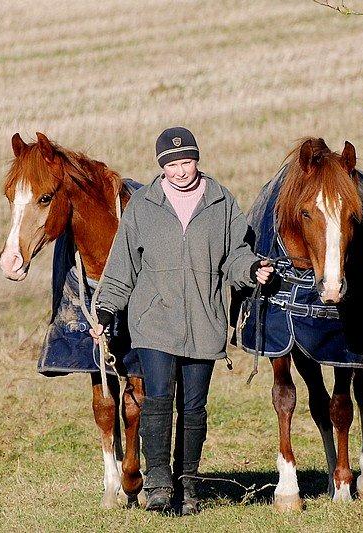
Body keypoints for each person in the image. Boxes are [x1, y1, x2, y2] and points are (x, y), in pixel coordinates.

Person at [90, 127, 273, 514]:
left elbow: (235, 255)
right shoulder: (144, 204)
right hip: (154, 322)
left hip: (205, 320)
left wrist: (251, 268)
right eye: (172, 165)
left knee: (194, 408)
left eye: (186, 162)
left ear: (197, 160)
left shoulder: (221, 201)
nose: (180, 171)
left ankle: (187, 484)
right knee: (158, 400)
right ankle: (159, 484)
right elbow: (122, 266)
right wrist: (105, 310)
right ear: (162, 167)